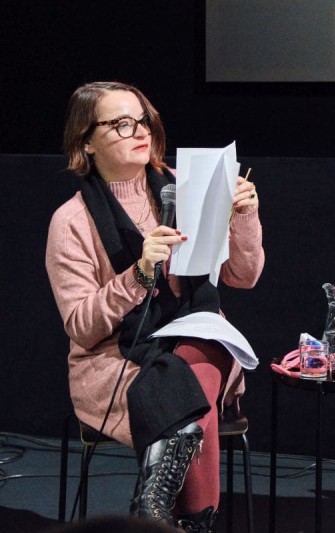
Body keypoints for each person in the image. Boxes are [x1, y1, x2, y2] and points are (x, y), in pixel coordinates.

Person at [46, 81, 265, 531]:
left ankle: (153, 504)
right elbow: (82, 327)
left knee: (203, 347)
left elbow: (242, 277)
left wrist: (244, 215)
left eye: (142, 119)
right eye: (120, 123)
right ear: (86, 140)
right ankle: (191, 522)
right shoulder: (70, 221)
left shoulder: (187, 190)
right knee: (189, 381)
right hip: (115, 363)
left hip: (194, 338)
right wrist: (139, 274)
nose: (138, 131)